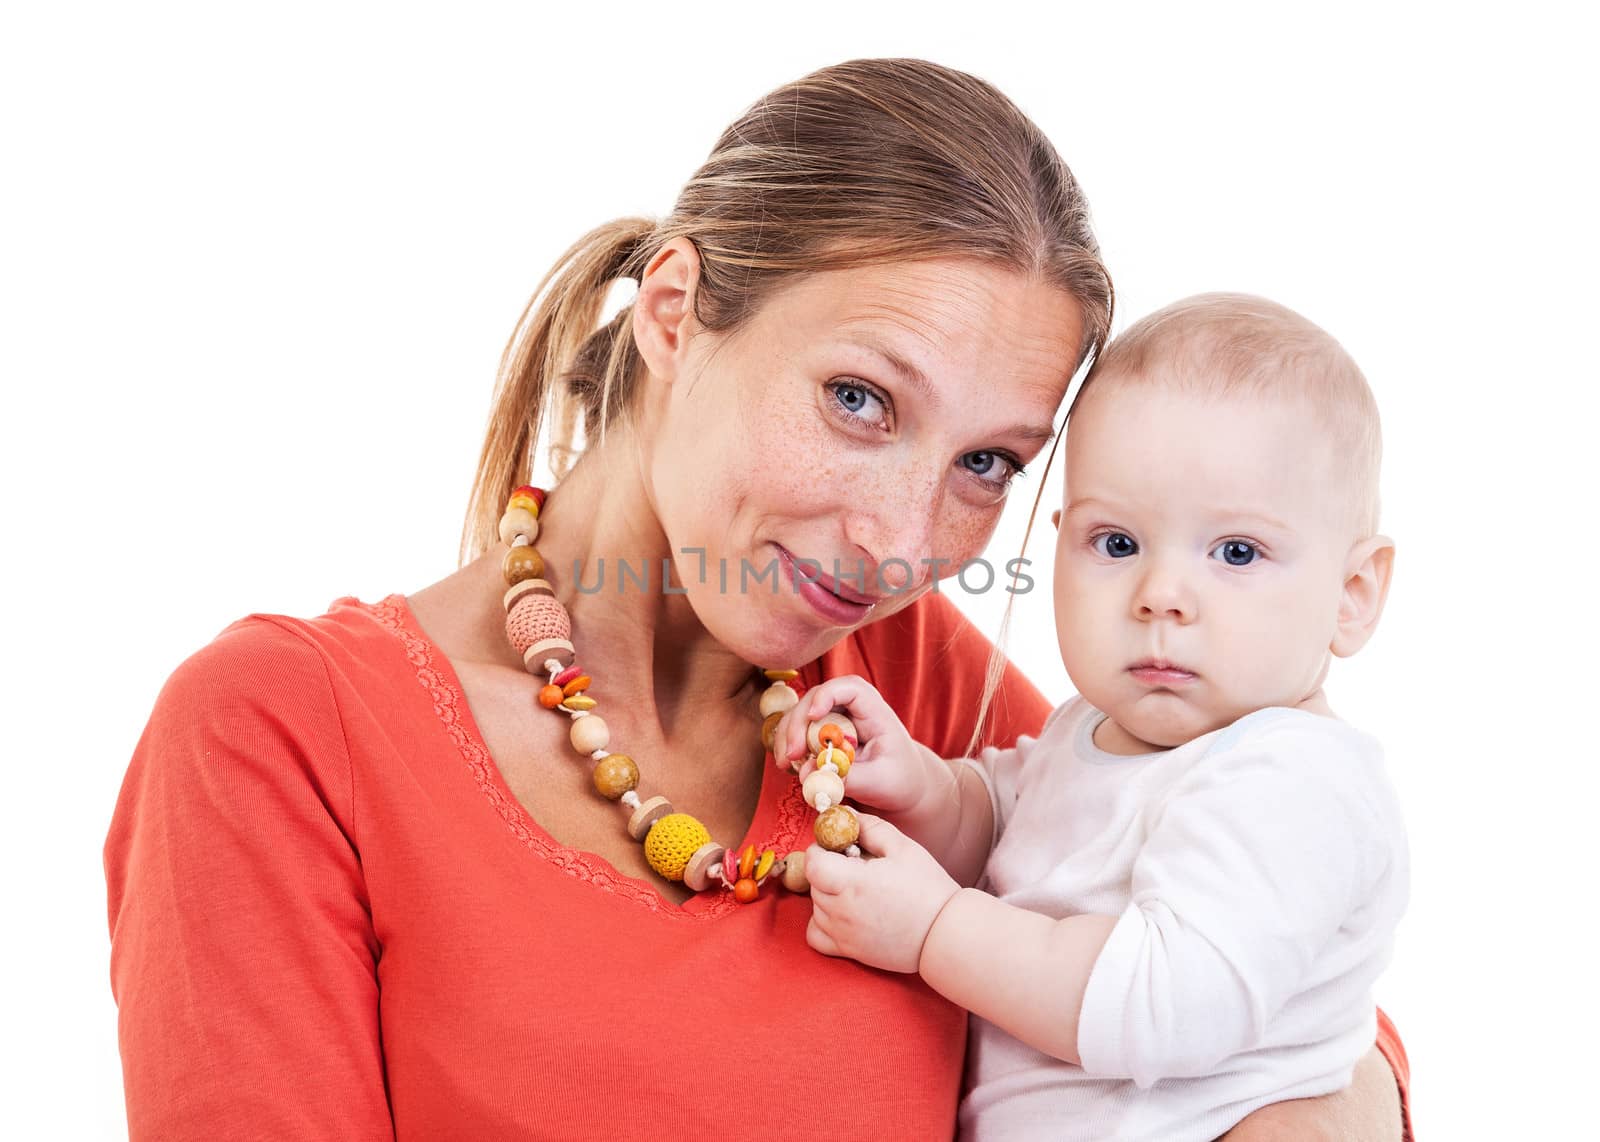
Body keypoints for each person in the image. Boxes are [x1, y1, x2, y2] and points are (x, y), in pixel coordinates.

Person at [102, 60, 1411, 1139]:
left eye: (985, 464)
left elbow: (1270, 977)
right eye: (859, 400)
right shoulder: (280, 737)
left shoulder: (910, 686)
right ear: (675, 313)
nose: (900, 540)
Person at [776, 293, 1408, 1140]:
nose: (1160, 598)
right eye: (1118, 544)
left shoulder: (1291, 778)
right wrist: (924, 785)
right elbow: (1010, 829)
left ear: (1352, 596)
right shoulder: (1094, 730)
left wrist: (935, 929)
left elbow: (1164, 1002)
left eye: (1237, 553)